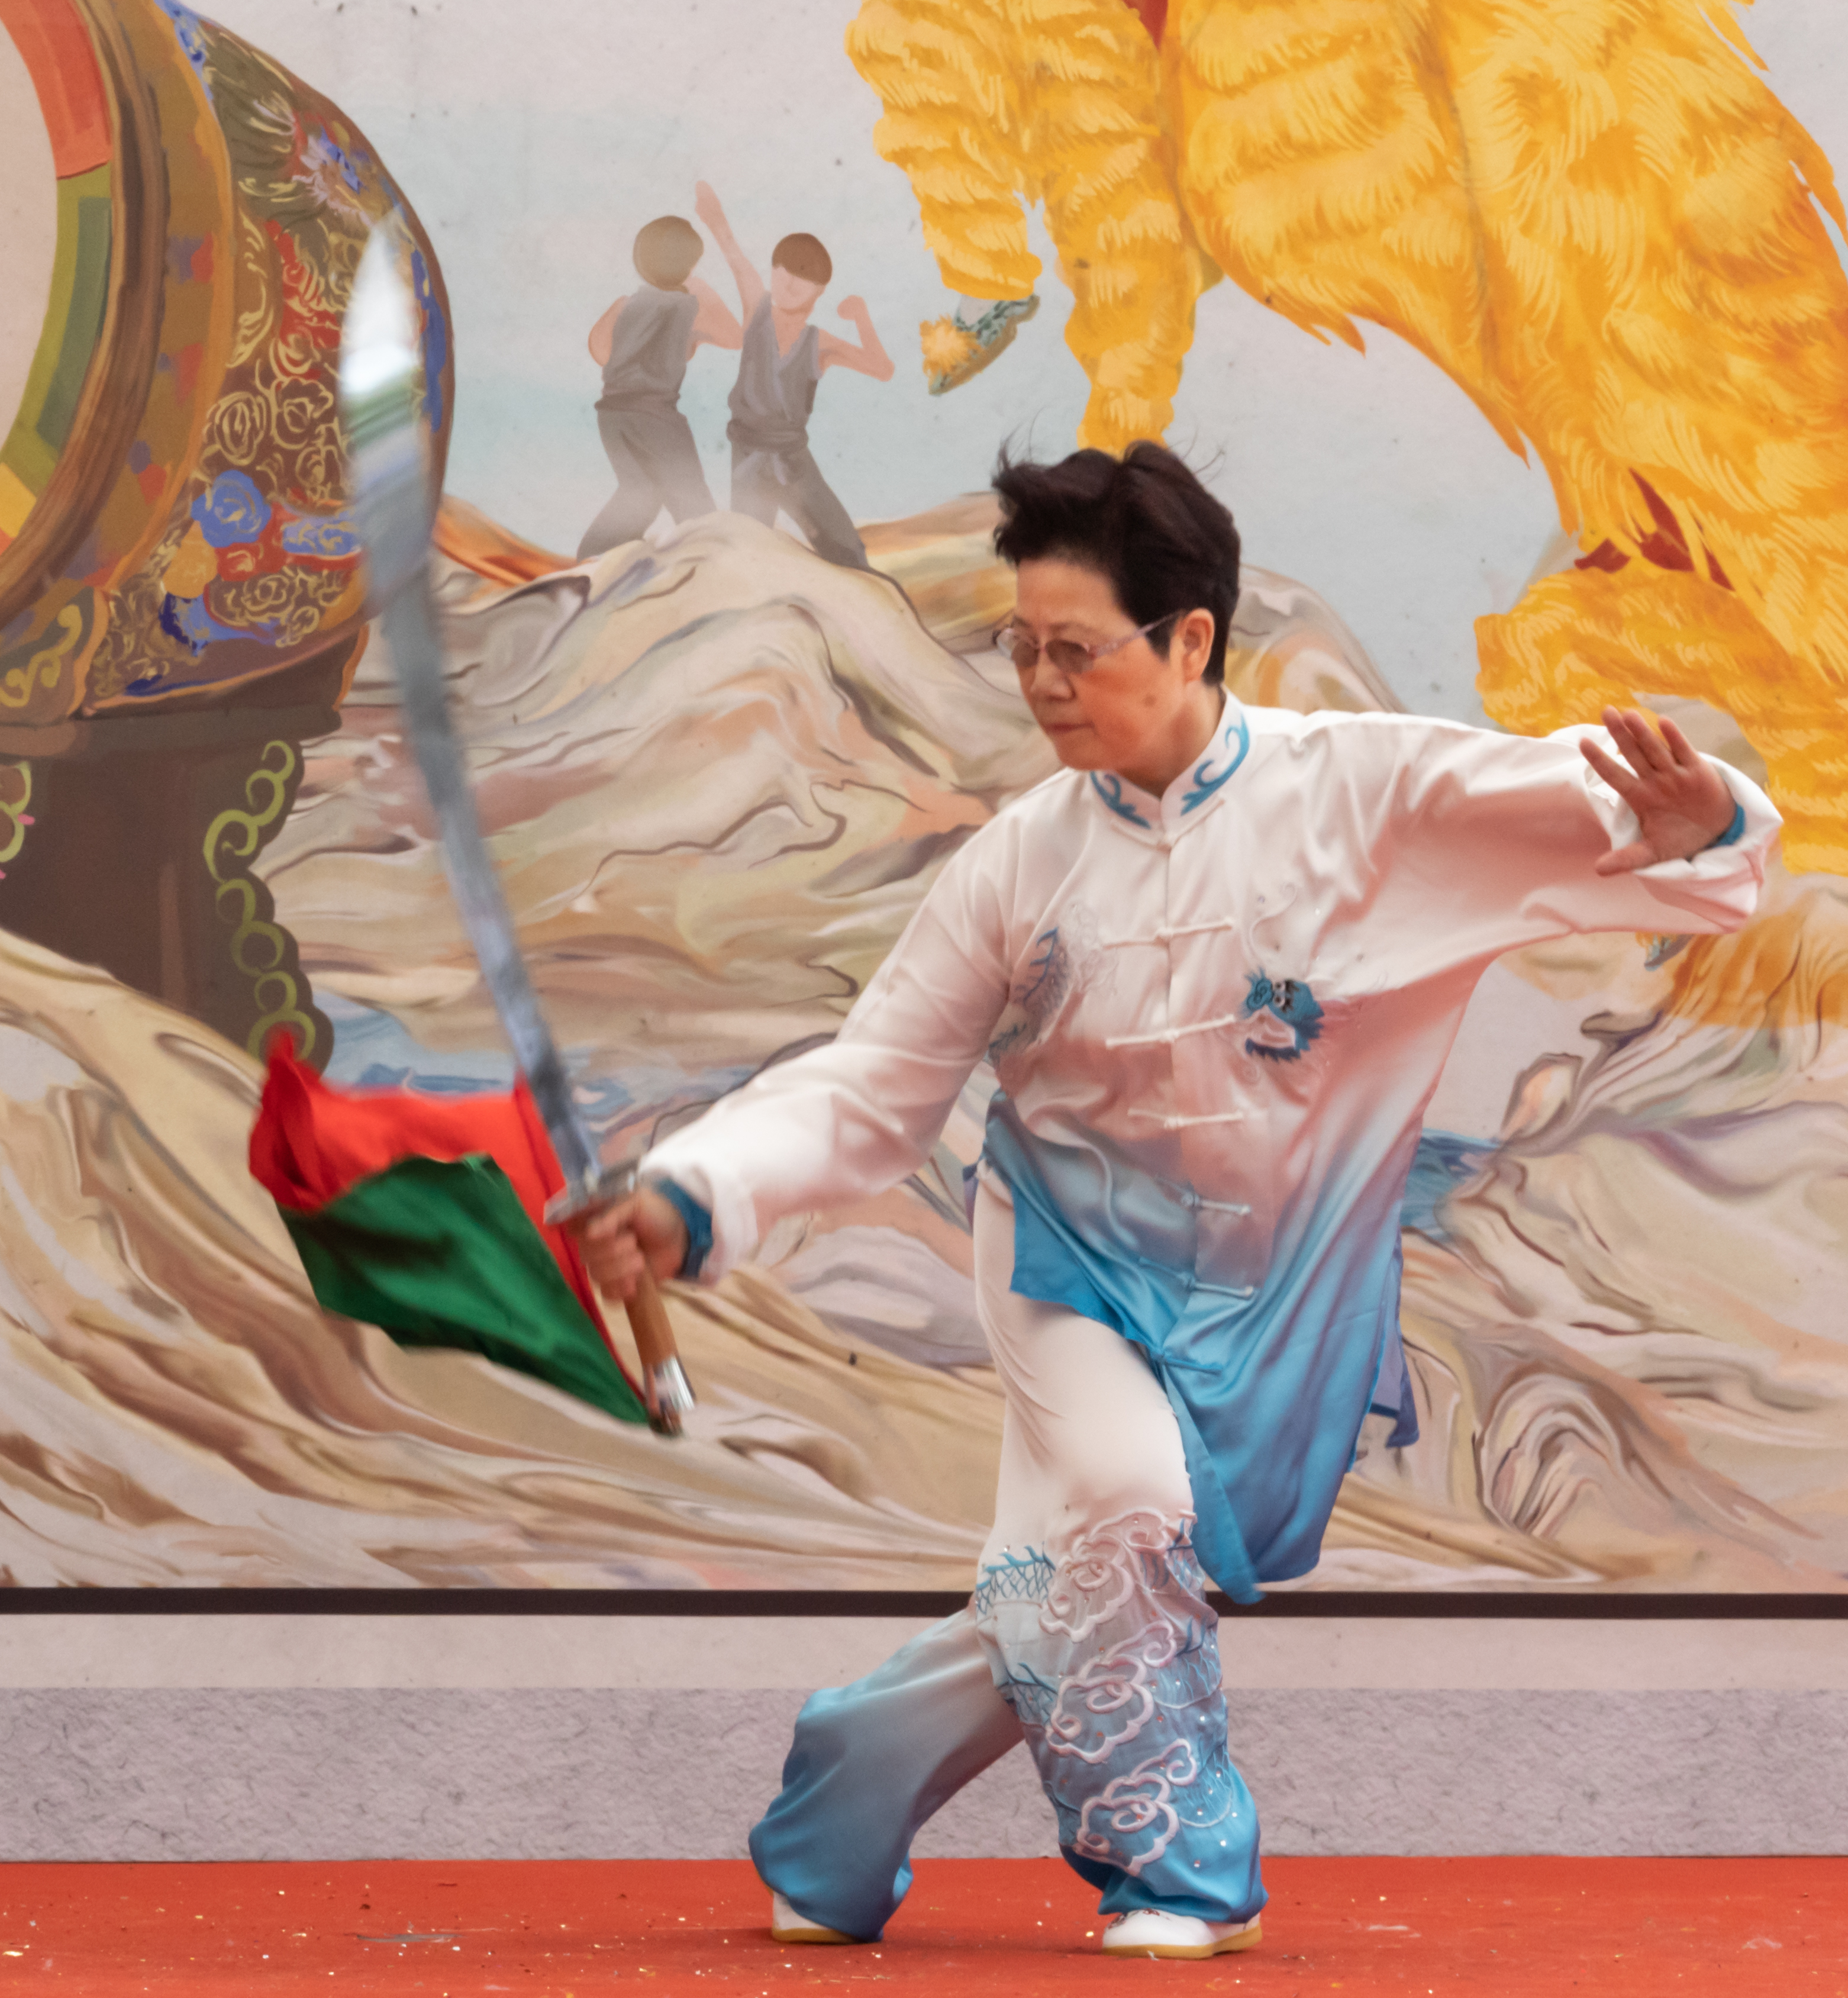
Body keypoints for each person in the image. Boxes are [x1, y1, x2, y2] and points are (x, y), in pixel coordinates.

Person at [580, 443, 1781, 1961]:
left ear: (1190, 637)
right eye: (1019, 647)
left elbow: (1606, 811)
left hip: (1283, 1286)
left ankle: (844, 1789)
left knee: (1089, 1572)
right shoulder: (1016, 867)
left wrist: (1700, 821)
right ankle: (1176, 1866)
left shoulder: (1364, 795)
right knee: (1133, 1516)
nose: (1039, 682)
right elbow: (871, 1086)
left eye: (1073, 648)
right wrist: (695, 1194)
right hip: (1068, 1266)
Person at [695, 182, 892, 572]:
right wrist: (714, 218)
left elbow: (881, 369)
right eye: (781, 269)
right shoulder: (757, 311)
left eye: (801, 277)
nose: (787, 281)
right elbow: (735, 257)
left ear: (818, 290)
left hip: (794, 462)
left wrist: (862, 317)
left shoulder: (819, 344)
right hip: (748, 457)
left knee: (849, 554)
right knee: (749, 560)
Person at [576, 214, 743, 560]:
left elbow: (599, 350)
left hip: (613, 416)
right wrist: (701, 291)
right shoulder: (689, 307)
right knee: (693, 505)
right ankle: (715, 570)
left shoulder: (624, 305)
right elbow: (734, 337)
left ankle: (590, 560)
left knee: (640, 493)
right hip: (656, 418)